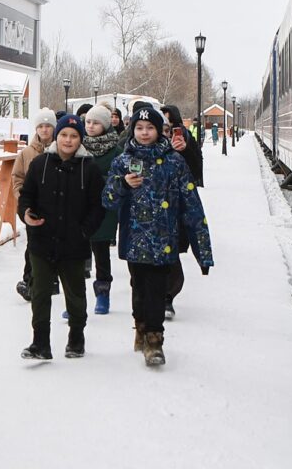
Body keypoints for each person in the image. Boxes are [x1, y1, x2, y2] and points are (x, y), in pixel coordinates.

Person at [103, 103, 213, 365]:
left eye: (149, 128)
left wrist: (203, 252)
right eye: (139, 128)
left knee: (156, 289)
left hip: (164, 241)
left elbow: (192, 206)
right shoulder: (123, 162)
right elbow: (107, 200)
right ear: (132, 131)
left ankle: (154, 340)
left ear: (159, 131)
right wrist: (122, 185)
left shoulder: (174, 164)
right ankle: (140, 327)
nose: (144, 132)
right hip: (134, 242)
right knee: (139, 288)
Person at [17, 114, 105, 360]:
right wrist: (25, 213)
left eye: (74, 136)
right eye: (64, 135)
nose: (68, 140)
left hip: (74, 243)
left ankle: (76, 337)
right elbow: (26, 196)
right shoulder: (40, 164)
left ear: (80, 139)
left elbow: (98, 207)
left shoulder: (90, 168)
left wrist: (84, 231)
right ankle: (40, 343)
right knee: (40, 293)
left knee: (75, 294)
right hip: (42, 240)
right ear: (57, 136)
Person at [160, 104, 203, 320]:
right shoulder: (143, 145)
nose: (166, 133)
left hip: (176, 209)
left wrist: (184, 150)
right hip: (148, 214)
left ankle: (168, 296)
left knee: (172, 251)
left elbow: (196, 169)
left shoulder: (185, 141)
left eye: (169, 127)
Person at [11, 108, 58, 301]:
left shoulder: (61, 149)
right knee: (33, 245)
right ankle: (29, 281)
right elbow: (17, 177)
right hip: (35, 208)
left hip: (57, 207)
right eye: (41, 126)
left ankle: (52, 279)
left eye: (48, 126)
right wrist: (23, 200)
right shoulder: (27, 153)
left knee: (55, 244)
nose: (45, 130)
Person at [83, 104, 124, 314]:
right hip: (80, 207)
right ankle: (77, 301)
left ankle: (103, 293)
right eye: (88, 122)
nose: (90, 126)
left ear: (106, 125)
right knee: (77, 255)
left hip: (104, 208)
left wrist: (95, 181)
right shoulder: (79, 146)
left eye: (96, 122)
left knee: (100, 253)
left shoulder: (115, 150)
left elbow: (118, 178)